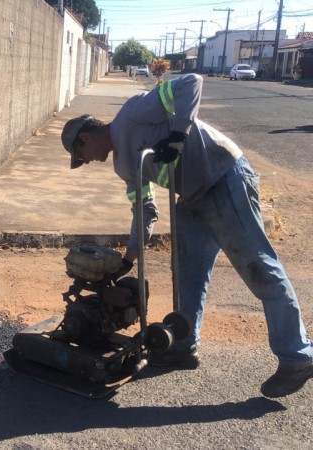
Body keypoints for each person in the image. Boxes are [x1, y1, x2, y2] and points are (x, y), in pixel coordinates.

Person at [60, 73, 313, 398]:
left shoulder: (133, 112)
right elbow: (144, 210)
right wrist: (128, 260)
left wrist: (177, 136)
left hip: (224, 175)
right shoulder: (123, 166)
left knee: (259, 270)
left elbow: (190, 83)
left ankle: (298, 357)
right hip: (193, 197)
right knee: (187, 277)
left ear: (85, 138)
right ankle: (182, 345)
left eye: (82, 157)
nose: (88, 161)